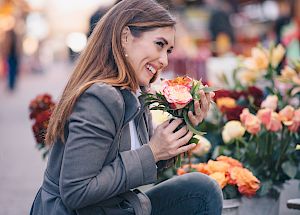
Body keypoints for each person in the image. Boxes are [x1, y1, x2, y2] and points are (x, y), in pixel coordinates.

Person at [30, 0, 223, 214]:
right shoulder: (99, 98)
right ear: (125, 37)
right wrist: (152, 152)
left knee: (201, 190)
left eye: (169, 50)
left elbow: (147, 159)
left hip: (113, 206)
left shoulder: (137, 92)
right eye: (159, 44)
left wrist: (183, 124)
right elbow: (77, 191)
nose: (164, 60)